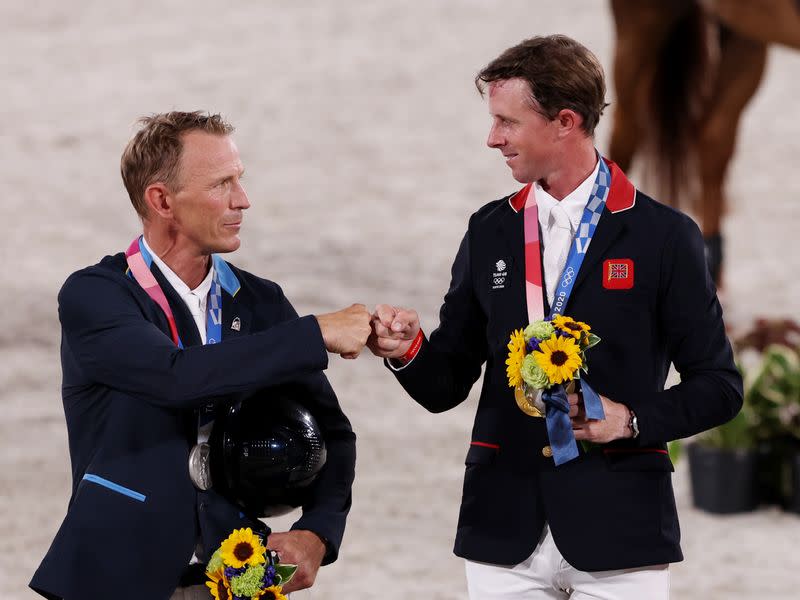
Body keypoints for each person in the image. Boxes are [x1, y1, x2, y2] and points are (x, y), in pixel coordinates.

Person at [368, 35, 743, 599]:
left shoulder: (664, 237)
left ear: (565, 121)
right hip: (504, 526)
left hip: (620, 528)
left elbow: (720, 386)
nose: (492, 138)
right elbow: (446, 382)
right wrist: (407, 350)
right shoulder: (490, 229)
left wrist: (630, 419)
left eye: (506, 122)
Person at [30, 111, 370, 600]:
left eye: (240, 180)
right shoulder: (97, 296)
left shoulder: (260, 301)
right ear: (162, 200)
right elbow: (175, 377)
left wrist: (318, 530)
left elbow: (334, 433)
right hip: (115, 577)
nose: (242, 200)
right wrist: (313, 334)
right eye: (221, 184)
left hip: (237, 577)